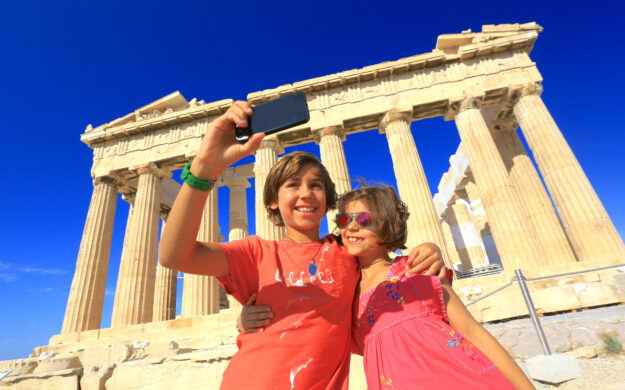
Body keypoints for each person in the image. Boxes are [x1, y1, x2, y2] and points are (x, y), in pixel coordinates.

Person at [158, 101, 446, 390]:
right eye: (293, 185)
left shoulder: (346, 253)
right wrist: (204, 169)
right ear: (273, 200)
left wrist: (430, 249)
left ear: (327, 199)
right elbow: (174, 256)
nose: (306, 193)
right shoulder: (256, 254)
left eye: (316, 185)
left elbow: (388, 262)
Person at [240, 184, 535, 389]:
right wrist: (243, 321)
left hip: (468, 381)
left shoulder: (417, 272)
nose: (351, 226)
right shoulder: (340, 295)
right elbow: (296, 318)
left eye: (364, 219)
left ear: (387, 224)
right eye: (345, 219)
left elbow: (473, 333)